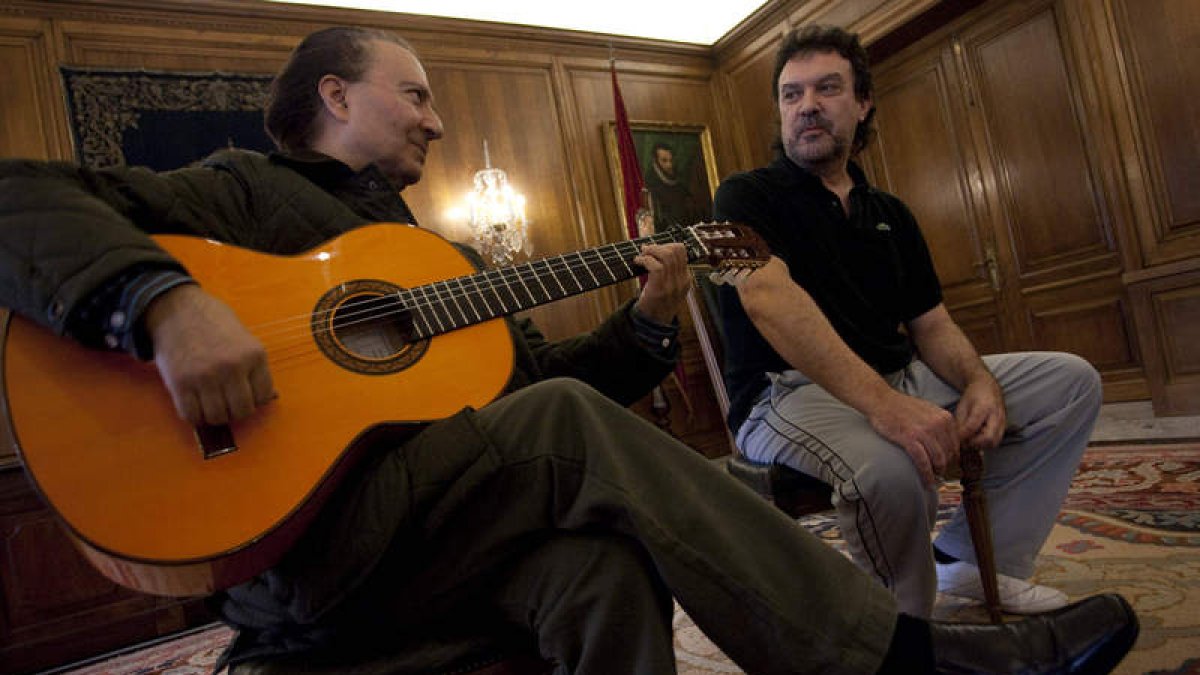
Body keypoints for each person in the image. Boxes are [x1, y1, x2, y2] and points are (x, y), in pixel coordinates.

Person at [0, 25, 1138, 675]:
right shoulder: (241, 196)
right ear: (336, 95)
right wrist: (158, 303)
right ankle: (899, 665)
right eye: (418, 96)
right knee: (560, 437)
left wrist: (647, 321)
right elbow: (19, 198)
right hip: (306, 550)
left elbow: (542, 395)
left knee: (596, 563)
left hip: (427, 535)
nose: (438, 122)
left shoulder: (436, 260)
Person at [712, 24, 1104, 619]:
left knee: (1070, 382)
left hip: (895, 379)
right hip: (782, 396)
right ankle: (902, 636)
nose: (807, 106)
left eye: (827, 89)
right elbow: (766, 299)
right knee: (892, 470)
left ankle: (965, 566)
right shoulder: (741, 196)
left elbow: (933, 324)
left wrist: (979, 383)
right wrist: (883, 406)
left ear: (863, 103)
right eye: (792, 95)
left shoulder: (888, 211)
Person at [644, 141, 708, 232]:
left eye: (671, 160)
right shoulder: (650, 189)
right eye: (664, 161)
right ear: (655, 162)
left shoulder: (681, 187)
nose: (669, 165)